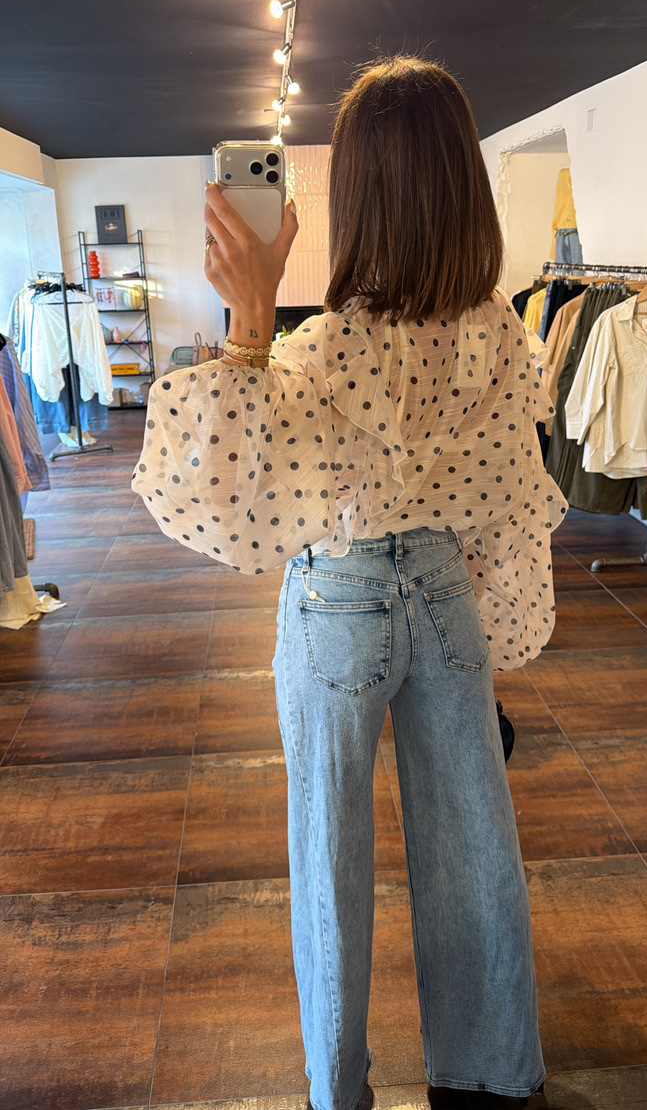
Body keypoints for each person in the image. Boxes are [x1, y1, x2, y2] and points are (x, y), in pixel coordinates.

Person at [132, 55, 567, 1110]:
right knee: (473, 844)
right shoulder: (500, 334)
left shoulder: (321, 349)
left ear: (356, 193)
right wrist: (495, 617)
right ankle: (488, 1073)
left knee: (327, 857)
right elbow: (511, 497)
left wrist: (249, 320)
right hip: (447, 594)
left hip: (340, 601)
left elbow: (216, 501)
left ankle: (339, 1087)